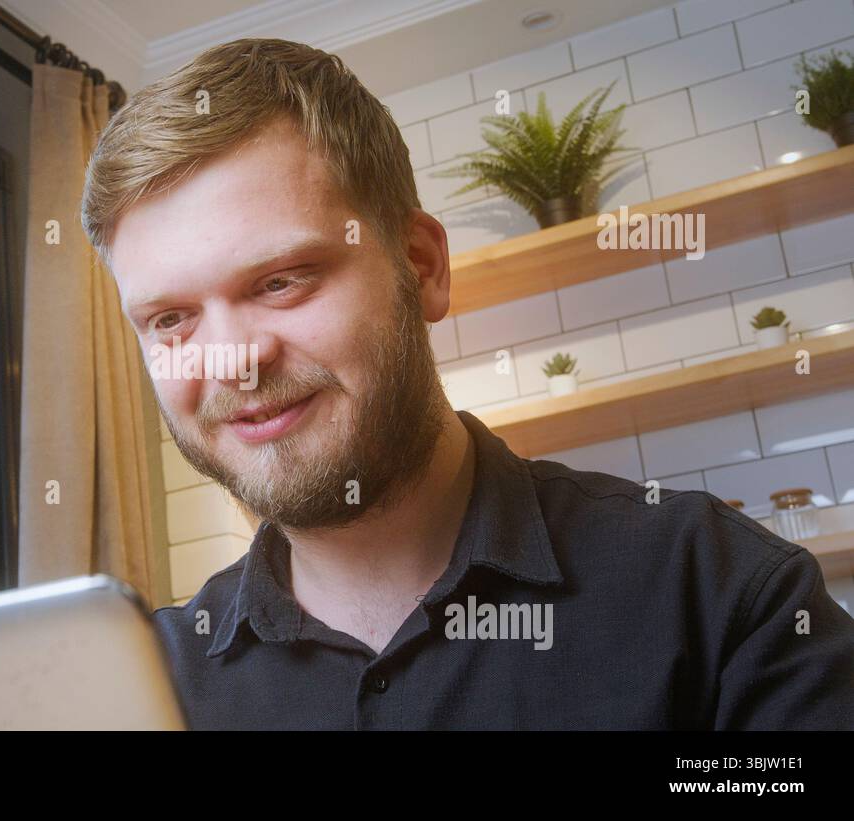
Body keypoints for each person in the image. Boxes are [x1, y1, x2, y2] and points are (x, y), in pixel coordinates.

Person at [79, 38, 854, 730]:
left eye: (282, 280)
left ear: (422, 266)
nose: (229, 360)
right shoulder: (139, 692)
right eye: (171, 319)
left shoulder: (721, 592)